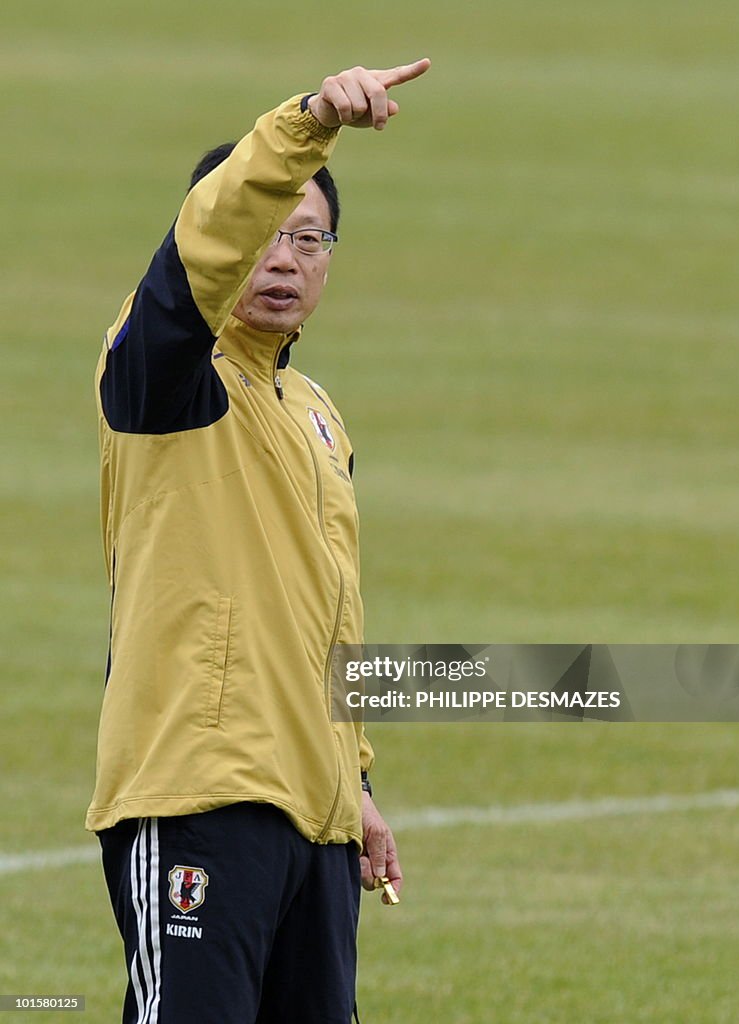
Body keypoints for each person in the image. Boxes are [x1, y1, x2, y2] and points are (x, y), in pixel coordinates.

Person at [86, 58, 431, 1024]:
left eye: (311, 240)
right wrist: (309, 123)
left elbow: (326, 612)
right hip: (198, 795)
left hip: (313, 821)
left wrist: (351, 781)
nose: (284, 260)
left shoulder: (317, 415)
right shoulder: (163, 379)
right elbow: (205, 246)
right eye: (266, 235)